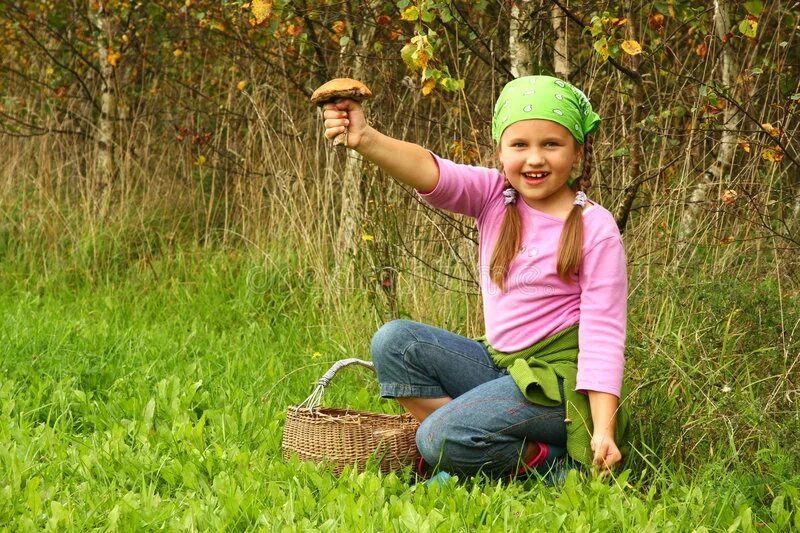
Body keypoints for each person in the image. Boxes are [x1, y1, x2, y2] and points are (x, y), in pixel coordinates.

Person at [321, 75, 628, 481]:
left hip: (558, 387)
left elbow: (603, 335)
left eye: (551, 144)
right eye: (520, 145)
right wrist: (366, 138)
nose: (535, 159)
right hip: (499, 366)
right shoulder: (493, 196)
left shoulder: (595, 226)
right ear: (500, 151)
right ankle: (480, 441)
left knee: (436, 438)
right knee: (394, 342)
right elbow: (430, 171)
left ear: (577, 154)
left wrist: (604, 430)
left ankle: (553, 464)